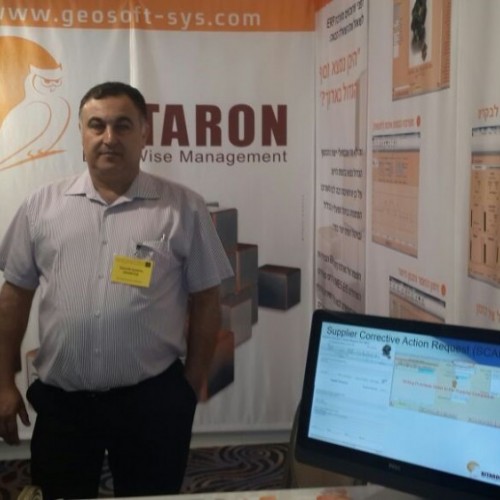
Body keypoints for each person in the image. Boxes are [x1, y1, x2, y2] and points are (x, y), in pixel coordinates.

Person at [0, 81, 233, 499]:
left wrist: (190, 385)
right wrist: (2, 381)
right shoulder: (40, 207)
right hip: (64, 405)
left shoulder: (183, 207)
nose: (109, 137)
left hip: (152, 404)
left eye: (123, 125)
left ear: (144, 133)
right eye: (97, 125)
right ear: (82, 134)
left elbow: (206, 298)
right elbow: (14, 297)